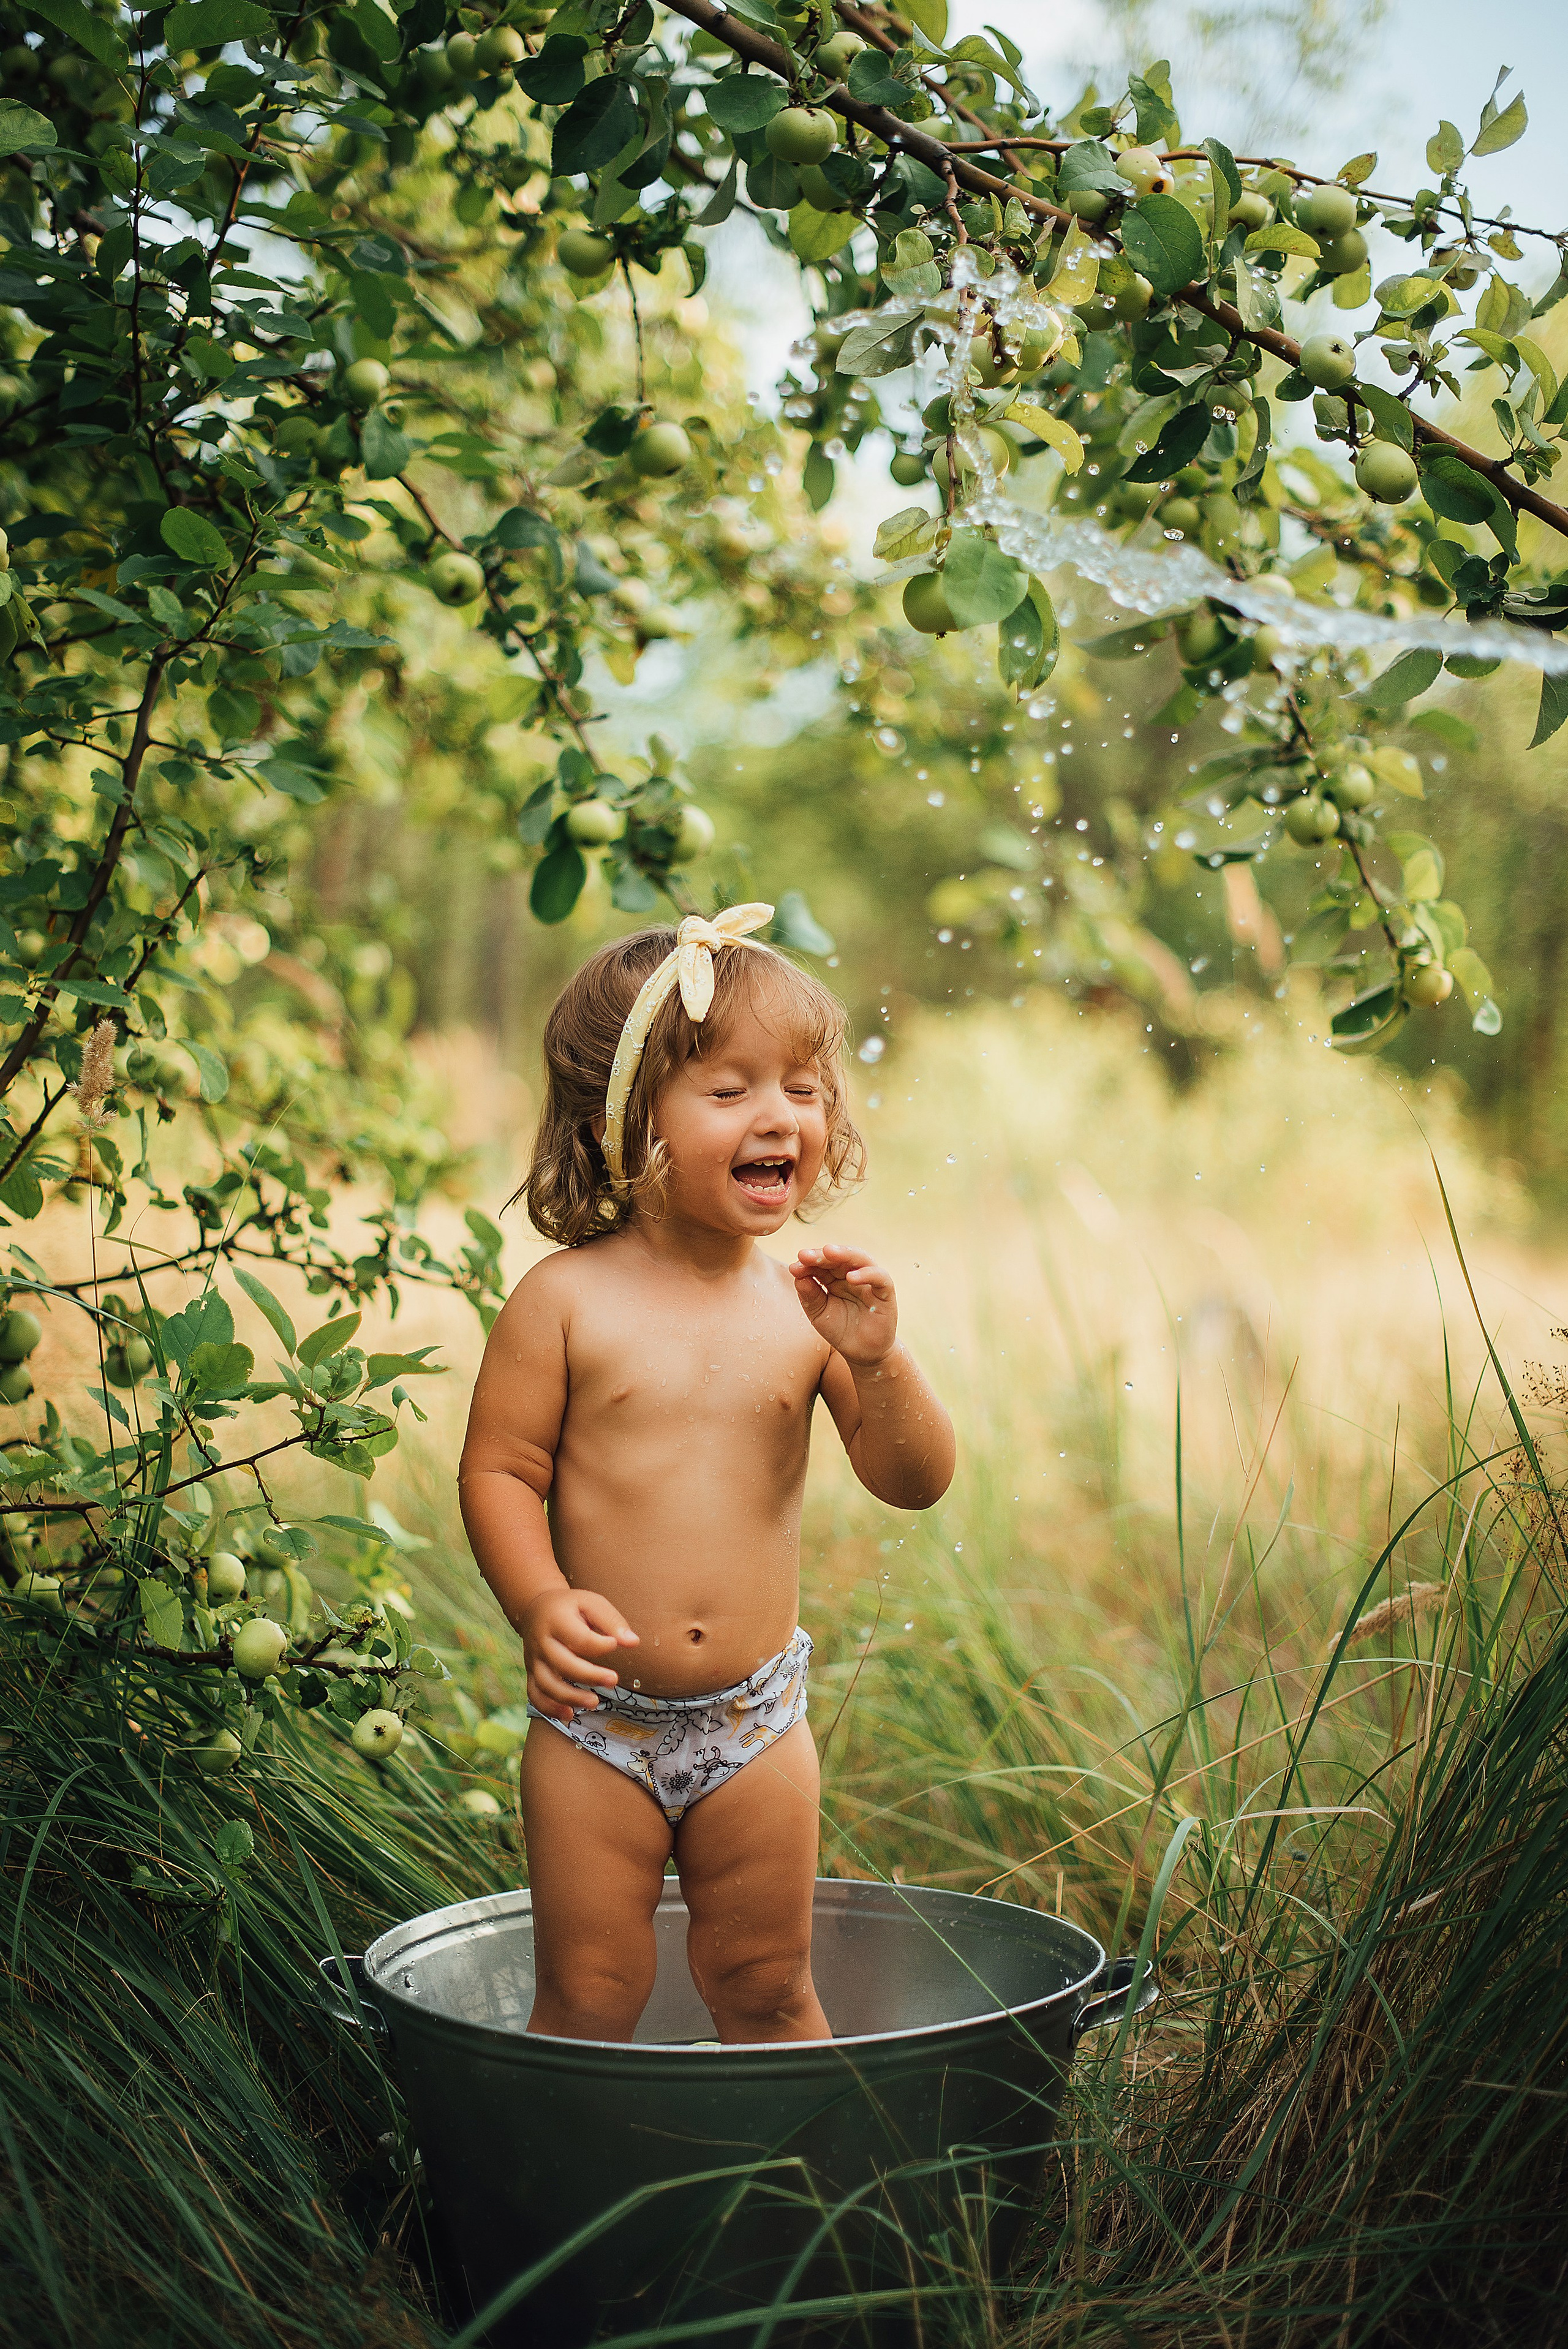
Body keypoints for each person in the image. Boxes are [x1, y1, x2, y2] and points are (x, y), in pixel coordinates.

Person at [458, 906, 955, 2045]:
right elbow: (498, 1470)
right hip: (598, 1726)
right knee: (588, 1995)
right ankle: (561, 2209)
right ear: (625, 1123)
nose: (779, 1115)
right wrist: (538, 1603)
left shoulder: (808, 1308)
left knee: (768, 1986)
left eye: (803, 1086)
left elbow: (913, 1481)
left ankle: (807, 2215)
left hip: (757, 1723)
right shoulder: (566, 1302)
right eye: (728, 1092)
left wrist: (879, 1362)